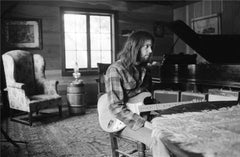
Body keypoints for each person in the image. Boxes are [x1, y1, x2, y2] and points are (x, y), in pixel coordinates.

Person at [105, 30, 170, 157]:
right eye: (146, 46)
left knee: (174, 131)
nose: (150, 51)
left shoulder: (146, 70)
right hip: (123, 122)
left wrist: (163, 108)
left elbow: (148, 100)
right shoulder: (115, 70)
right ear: (134, 47)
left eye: (151, 47)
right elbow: (116, 108)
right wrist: (145, 123)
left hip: (144, 115)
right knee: (158, 140)